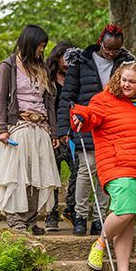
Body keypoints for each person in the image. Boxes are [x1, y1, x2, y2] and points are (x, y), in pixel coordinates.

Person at [71, 61, 136, 271]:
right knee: (124, 211)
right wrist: (80, 116)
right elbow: (90, 114)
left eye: (132, 81)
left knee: (129, 220)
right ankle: (100, 242)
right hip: (118, 165)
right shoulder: (104, 99)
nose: (126, 85)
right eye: (123, 80)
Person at [57, 24, 136, 236]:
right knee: (86, 169)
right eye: (107, 48)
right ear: (100, 42)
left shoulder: (124, 64)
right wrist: (64, 129)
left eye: (115, 50)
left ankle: (100, 218)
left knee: (105, 174)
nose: (110, 53)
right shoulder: (81, 62)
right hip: (84, 123)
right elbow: (67, 97)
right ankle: (80, 215)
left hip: (112, 126)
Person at [0, 25, 61, 236]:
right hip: (18, 126)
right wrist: (1, 129)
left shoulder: (43, 68)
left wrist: (54, 132)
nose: (41, 50)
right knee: (16, 175)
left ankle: (29, 219)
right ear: (30, 44)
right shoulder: (8, 66)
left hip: (41, 128)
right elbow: (1, 99)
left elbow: (49, 103)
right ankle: (15, 219)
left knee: (39, 176)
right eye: (39, 46)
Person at [44, 41, 78, 231]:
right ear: (56, 57)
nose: (66, 61)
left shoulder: (77, 76)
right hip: (52, 134)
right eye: (62, 56)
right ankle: (51, 214)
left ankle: (70, 209)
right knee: (52, 175)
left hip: (73, 134)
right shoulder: (48, 78)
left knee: (77, 172)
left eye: (69, 56)